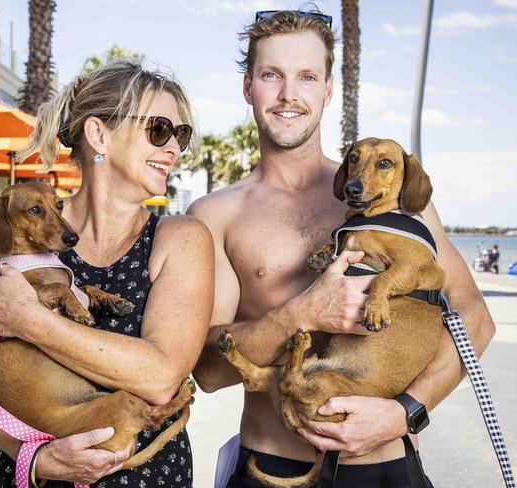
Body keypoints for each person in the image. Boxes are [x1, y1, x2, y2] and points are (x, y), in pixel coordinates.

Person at [188, 10, 496, 487]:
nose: (289, 94)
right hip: (273, 467)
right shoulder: (216, 215)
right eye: (272, 75)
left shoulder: (396, 200)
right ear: (248, 86)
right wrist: (301, 313)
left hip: (389, 467)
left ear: (327, 89)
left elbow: (475, 318)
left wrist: (406, 413)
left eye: (307, 76)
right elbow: (208, 370)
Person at [0, 60, 214, 487]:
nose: (174, 148)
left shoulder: (182, 238)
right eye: (159, 130)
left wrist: (27, 321)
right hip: (22, 472)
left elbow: (161, 378)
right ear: (98, 133)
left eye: (180, 135)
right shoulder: (11, 228)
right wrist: (31, 458)